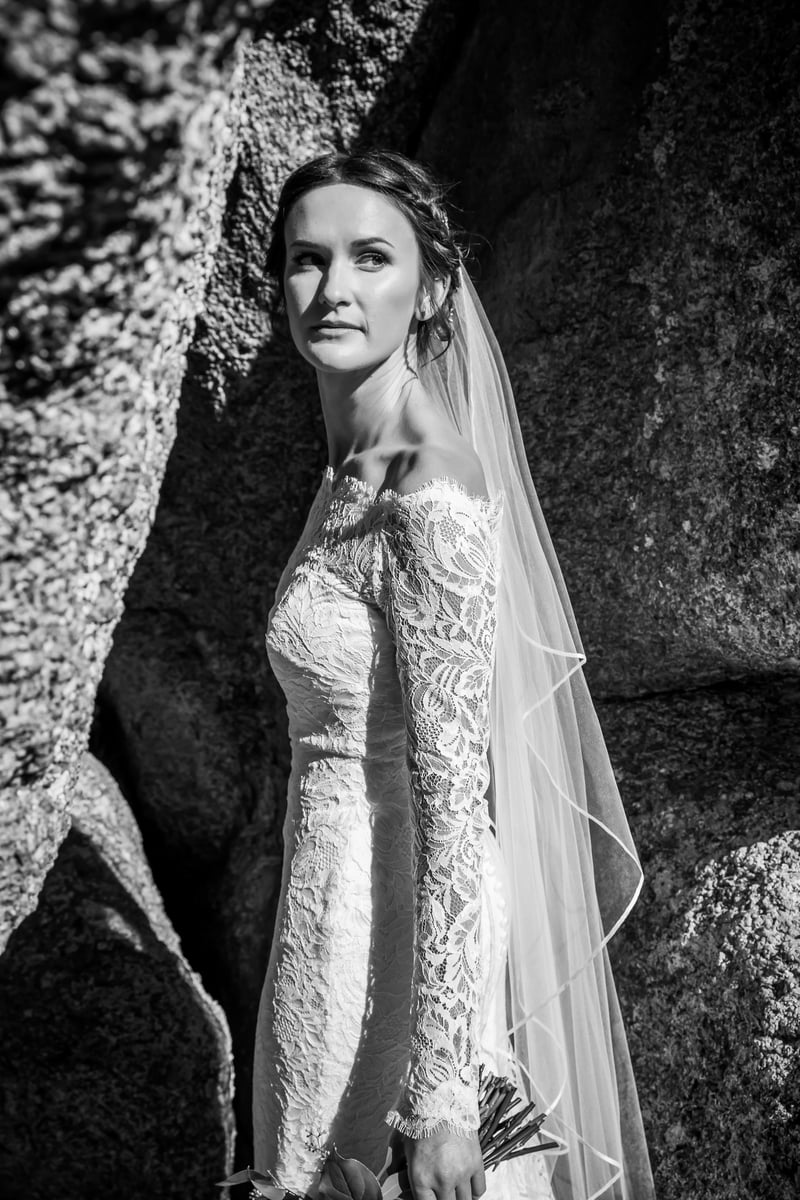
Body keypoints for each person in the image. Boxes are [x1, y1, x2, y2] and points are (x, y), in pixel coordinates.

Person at [253, 149, 655, 1200]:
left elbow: (455, 797)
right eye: (306, 259)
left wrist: (439, 1096)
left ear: (430, 290)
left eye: (369, 258)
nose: (332, 289)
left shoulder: (425, 485)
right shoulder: (348, 464)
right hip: (321, 915)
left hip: (391, 939)